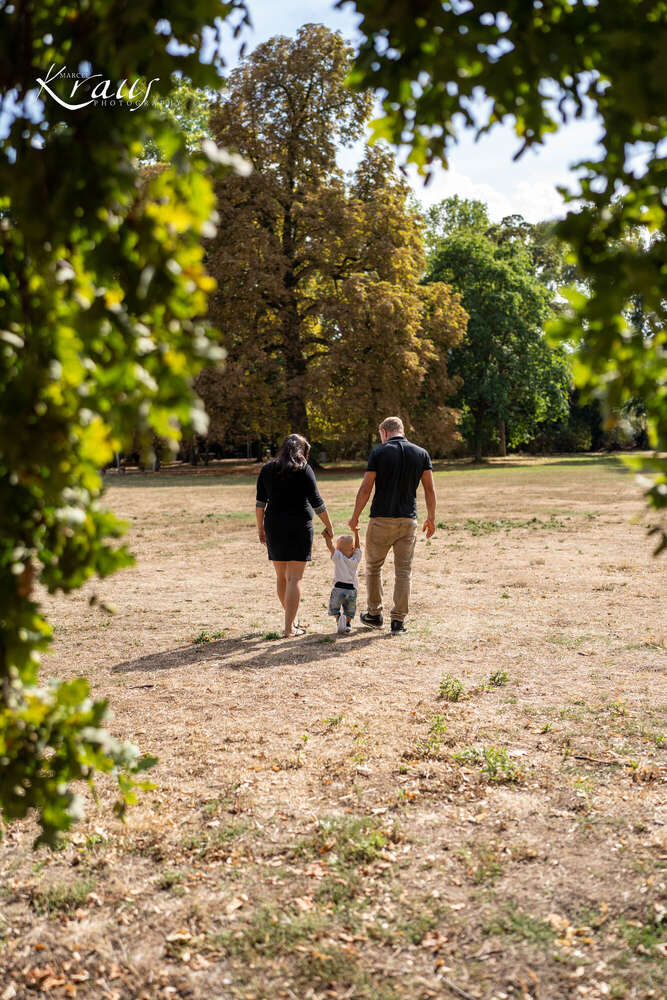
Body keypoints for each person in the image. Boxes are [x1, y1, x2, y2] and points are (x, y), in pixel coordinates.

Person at [348, 416, 436, 635]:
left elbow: (366, 488)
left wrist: (355, 516)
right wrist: (431, 517)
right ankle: (398, 621)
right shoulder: (421, 453)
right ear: (402, 431)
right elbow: (429, 489)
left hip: (381, 519)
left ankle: (374, 614)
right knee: (403, 571)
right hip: (408, 519)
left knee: (373, 567)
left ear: (384, 432)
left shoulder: (379, 453)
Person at [255, 434, 334, 638]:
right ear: (303, 451)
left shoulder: (267, 469)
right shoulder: (304, 469)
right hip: (299, 526)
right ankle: (289, 628)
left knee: (282, 577)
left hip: (274, 525)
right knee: (294, 578)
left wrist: (260, 528)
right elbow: (317, 501)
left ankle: (292, 621)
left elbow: (260, 503)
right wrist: (329, 525)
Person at [322, 526, 362, 635]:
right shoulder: (355, 559)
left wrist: (327, 537)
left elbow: (330, 547)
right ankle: (347, 624)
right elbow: (358, 547)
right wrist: (356, 533)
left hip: (338, 588)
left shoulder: (338, 556)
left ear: (338, 549)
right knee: (350, 610)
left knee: (334, 607)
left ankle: (338, 618)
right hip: (351, 589)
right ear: (352, 549)